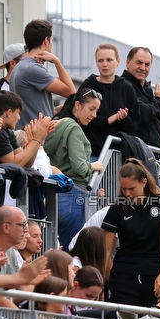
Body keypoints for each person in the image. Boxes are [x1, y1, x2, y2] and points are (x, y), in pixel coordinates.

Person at [102, 158, 160, 308]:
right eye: (124, 189)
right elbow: (106, 250)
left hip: (153, 274)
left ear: (144, 182)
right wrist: (108, 275)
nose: (127, 193)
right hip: (124, 275)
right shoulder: (117, 208)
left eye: (131, 189)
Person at [43, 89, 105, 248]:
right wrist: (92, 166)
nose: (94, 115)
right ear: (77, 105)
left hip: (54, 195)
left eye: (97, 110)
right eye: (91, 109)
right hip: (73, 194)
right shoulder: (74, 128)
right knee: (72, 250)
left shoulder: (57, 124)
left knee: (54, 249)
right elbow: (79, 167)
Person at [10, 19, 75, 126]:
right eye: (52, 40)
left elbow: (30, 104)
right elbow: (71, 92)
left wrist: (52, 110)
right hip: (35, 135)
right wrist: (56, 61)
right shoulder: (32, 68)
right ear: (46, 41)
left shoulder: (21, 66)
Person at [78, 44, 139, 156]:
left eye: (109, 60)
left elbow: (135, 126)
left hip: (119, 155)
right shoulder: (87, 86)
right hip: (91, 153)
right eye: (101, 60)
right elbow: (80, 121)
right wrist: (107, 121)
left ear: (118, 61)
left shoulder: (126, 88)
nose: (105, 64)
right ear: (96, 62)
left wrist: (123, 119)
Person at [121, 47, 160, 148]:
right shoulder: (123, 85)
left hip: (150, 153)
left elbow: (158, 120)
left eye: (147, 64)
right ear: (128, 62)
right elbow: (142, 113)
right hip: (135, 154)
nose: (142, 68)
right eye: (139, 62)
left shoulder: (147, 89)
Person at [0, 90, 51, 167]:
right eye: (18, 113)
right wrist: (37, 140)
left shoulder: (7, 132)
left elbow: (26, 164)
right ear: (9, 113)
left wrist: (35, 141)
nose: (19, 118)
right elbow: (13, 164)